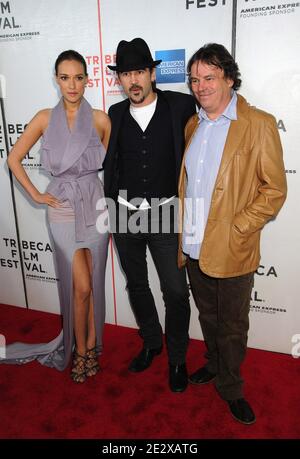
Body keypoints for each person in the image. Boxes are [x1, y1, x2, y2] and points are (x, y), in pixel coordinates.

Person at [178, 43, 287, 422]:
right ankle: (213, 364)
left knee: (233, 324)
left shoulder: (258, 124)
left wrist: (239, 227)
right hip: (193, 243)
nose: (201, 86)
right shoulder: (193, 124)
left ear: (228, 77)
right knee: (207, 315)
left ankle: (232, 385)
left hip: (233, 246)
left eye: (209, 77)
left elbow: (275, 189)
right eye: (194, 79)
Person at [2, 50, 111, 383]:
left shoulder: (101, 120)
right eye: (65, 77)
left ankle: (91, 345)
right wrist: (36, 194)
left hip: (94, 206)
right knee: (80, 286)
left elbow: (104, 162)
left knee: (92, 285)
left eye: (78, 77)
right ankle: (79, 351)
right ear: (56, 80)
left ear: (87, 79)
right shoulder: (43, 118)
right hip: (62, 207)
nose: (72, 85)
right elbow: (13, 159)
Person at [104, 38, 196, 392]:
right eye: (126, 73)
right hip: (124, 216)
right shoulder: (114, 114)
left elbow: (218, 107)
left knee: (175, 291)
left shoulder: (180, 105)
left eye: (139, 71)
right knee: (137, 285)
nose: (133, 80)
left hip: (165, 215)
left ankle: (177, 357)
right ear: (120, 79)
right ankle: (152, 342)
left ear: (152, 73)